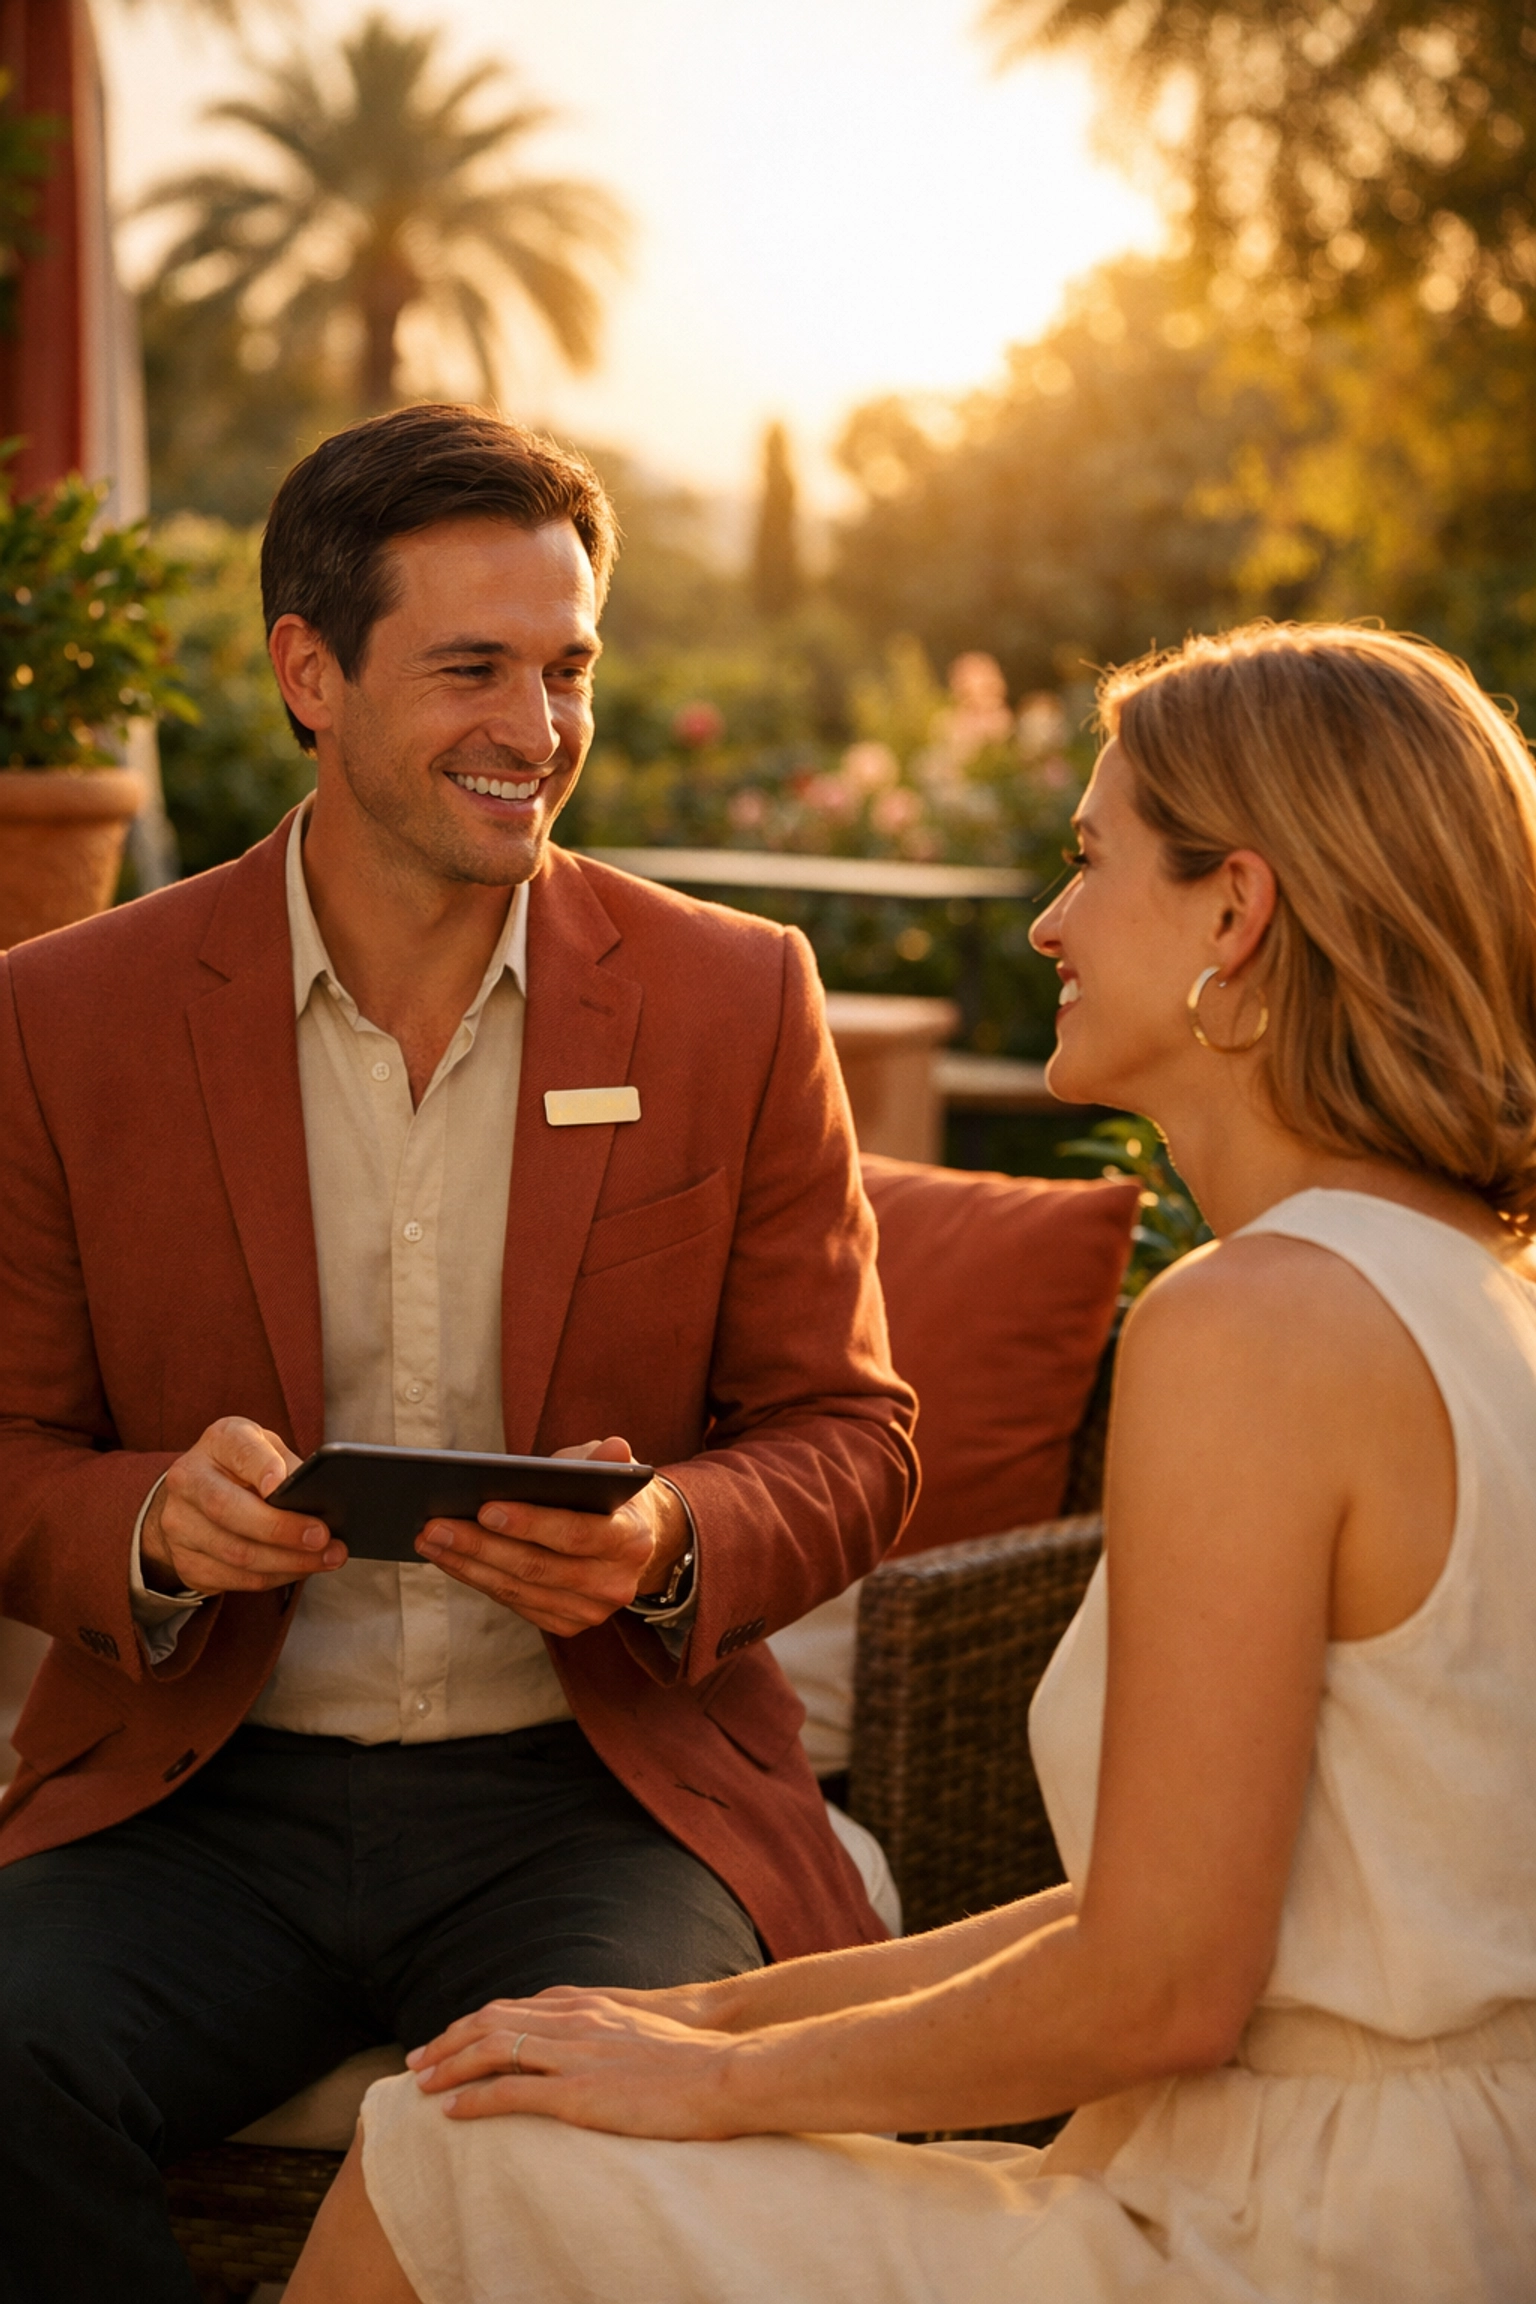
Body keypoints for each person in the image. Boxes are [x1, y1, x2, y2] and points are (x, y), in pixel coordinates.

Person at [292, 621, 1536, 2304]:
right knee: (497, 2106)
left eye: (1090, 860)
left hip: (1299, 2238)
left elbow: (1159, 1991)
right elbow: (1154, 1918)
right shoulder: (1478, 1291)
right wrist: (697, 2017)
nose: (1046, 924)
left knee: (446, 2148)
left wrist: (710, 2087)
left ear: (1235, 913)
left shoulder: (1257, 1326)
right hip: (1429, 2190)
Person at [0, 403, 918, 2304]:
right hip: (200, 1798)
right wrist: (150, 1527)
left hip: (597, 1799)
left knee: (586, 2135)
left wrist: (668, 1537)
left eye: (569, 668)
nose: (539, 727)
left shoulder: (735, 996)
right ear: (310, 674)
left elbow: (850, 1431)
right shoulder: (58, 1019)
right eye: (473, 668)